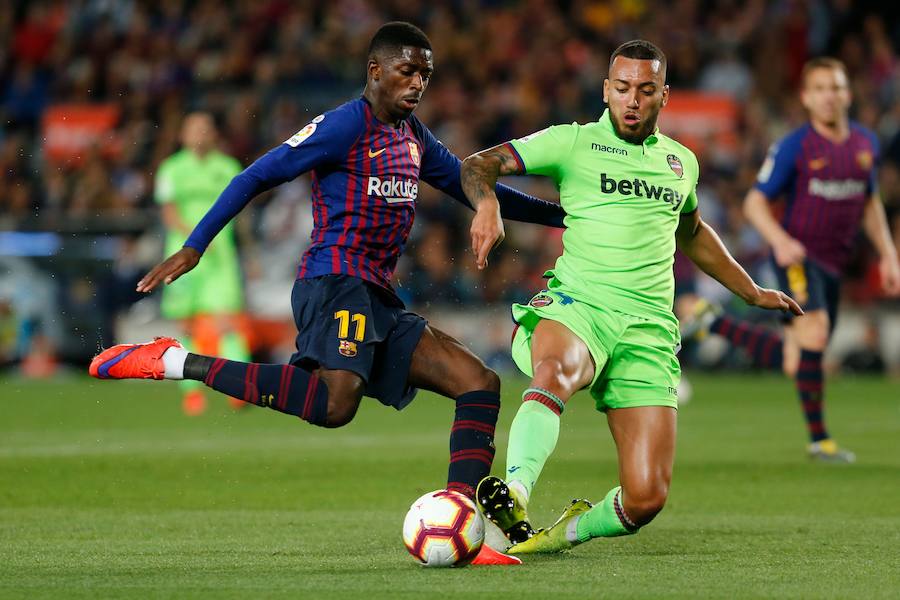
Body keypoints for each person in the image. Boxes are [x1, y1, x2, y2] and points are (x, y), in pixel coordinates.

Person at [89, 21, 565, 565]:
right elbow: (256, 176)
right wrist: (196, 245)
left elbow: (475, 186)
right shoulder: (344, 126)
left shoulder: (413, 138)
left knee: (478, 383)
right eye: (406, 71)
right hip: (334, 282)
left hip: (375, 294)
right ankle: (174, 361)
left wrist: (570, 215)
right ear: (375, 71)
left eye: (425, 75)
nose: (417, 84)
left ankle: (466, 525)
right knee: (335, 405)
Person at [459, 39, 802, 553]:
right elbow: (477, 164)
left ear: (664, 96)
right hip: (581, 305)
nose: (633, 100)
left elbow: (693, 231)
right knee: (554, 372)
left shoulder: (680, 163)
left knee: (645, 498)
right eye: (622, 89)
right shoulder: (569, 142)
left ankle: (559, 536)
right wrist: (487, 205)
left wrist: (751, 291)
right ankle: (515, 493)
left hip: (648, 328)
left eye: (646, 90)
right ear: (606, 91)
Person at [683, 57, 900, 463]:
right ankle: (821, 441)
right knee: (815, 333)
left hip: (834, 264)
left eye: (835, 87)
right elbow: (754, 202)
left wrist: (889, 255)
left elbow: (871, 204)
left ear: (847, 94)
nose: (829, 97)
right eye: (819, 89)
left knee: (796, 360)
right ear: (806, 97)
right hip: (799, 257)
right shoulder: (794, 146)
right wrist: (780, 240)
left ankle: (713, 322)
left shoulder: (865, 145)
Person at [155, 112, 252, 415]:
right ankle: (192, 392)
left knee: (226, 323)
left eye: (206, 129)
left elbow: (242, 217)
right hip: (182, 255)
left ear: (214, 135)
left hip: (221, 258)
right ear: (183, 135)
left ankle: (240, 390)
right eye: (195, 129)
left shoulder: (228, 167)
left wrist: (251, 253)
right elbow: (169, 214)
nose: (201, 134)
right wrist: (196, 239)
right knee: (185, 325)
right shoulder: (171, 169)